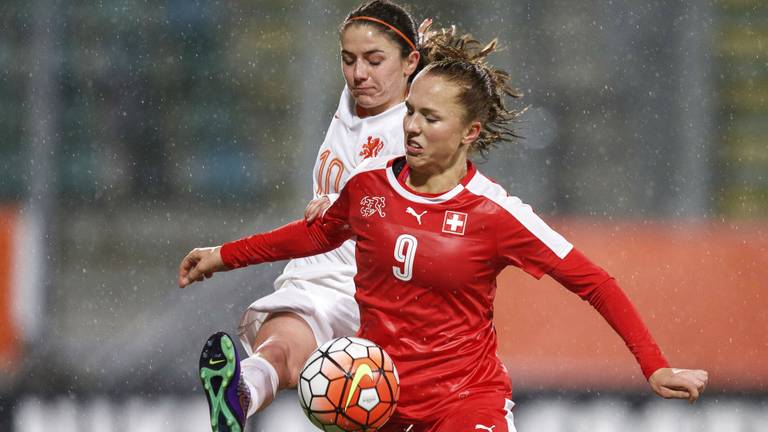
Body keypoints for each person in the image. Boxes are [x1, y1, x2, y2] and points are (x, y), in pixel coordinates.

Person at [181, 31, 709, 432]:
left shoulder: (495, 214)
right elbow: (314, 237)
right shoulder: (369, 190)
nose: (411, 127)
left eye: (430, 118)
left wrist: (654, 366)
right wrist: (223, 255)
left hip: (466, 401)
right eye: (410, 112)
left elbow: (593, 281)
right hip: (381, 400)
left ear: (469, 133)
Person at [187, 2, 437, 431]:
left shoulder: (409, 133)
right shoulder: (359, 97)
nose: (359, 73)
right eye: (349, 59)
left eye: (375, 60)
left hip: (366, 289)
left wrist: (351, 210)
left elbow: (424, 206)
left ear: (409, 63)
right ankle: (239, 396)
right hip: (313, 271)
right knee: (276, 352)